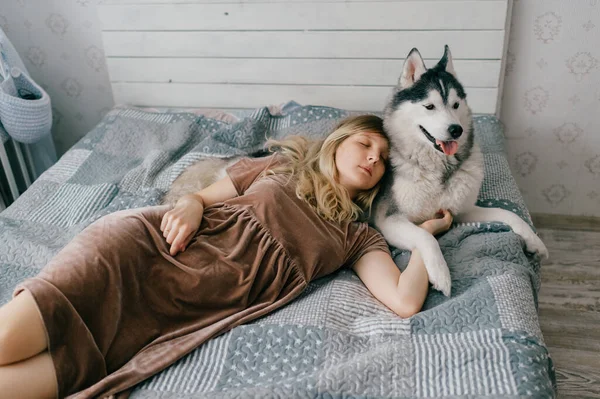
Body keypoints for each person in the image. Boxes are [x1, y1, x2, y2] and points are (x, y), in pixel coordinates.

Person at [0, 115, 453, 399]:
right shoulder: (282, 167)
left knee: (45, 379)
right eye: (365, 145)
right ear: (338, 142)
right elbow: (201, 198)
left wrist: (424, 237)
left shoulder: (356, 237)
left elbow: (404, 301)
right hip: (140, 251)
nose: (373, 158)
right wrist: (192, 206)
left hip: (178, 314)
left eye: (382, 158)